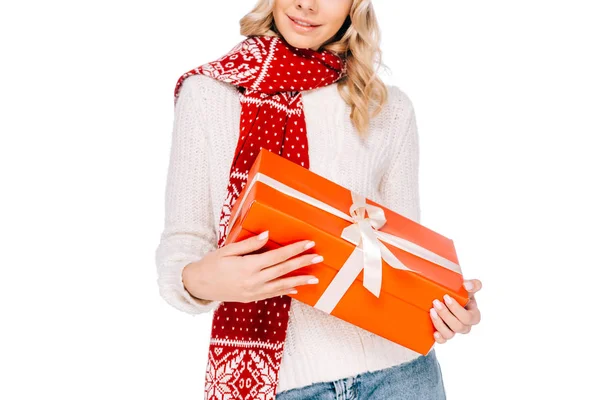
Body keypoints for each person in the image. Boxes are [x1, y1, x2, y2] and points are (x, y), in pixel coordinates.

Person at [155, 0, 483, 399]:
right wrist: (205, 280)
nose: (306, 4)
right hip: (282, 388)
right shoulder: (209, 94)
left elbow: (399, 255)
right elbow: (183, 244)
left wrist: (444, 308)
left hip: (401, 376)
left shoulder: (388, 107)